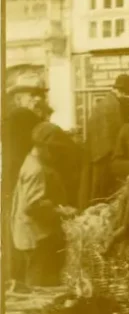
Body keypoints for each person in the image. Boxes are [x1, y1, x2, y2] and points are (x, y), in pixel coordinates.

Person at [11, 122, 78, 288]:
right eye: (54, 150)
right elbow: (33, 207)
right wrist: (62, 211)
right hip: (36, 235)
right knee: (37, 282)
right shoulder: (36, 169)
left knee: (36, 277)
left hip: (30, 232)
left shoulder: (30, 161)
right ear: (44, 147)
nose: (56, 155)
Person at [3, 72, 50, 285]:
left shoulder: (15, 117)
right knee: (24, 229)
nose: (38, 98)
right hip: (20, 180)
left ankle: (15, 277)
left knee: (14, 228)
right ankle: (21, 278)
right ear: (18, 98)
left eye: (39, 94)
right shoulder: (24, 117)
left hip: (14, 180)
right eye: (33, 94)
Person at [80, 73, 129, 207]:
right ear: (122, 91)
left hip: (95, 155)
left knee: (96, 193)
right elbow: (118, 137)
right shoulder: (113, 107)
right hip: (104, 159)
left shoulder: (105, 102)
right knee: (105, 196)